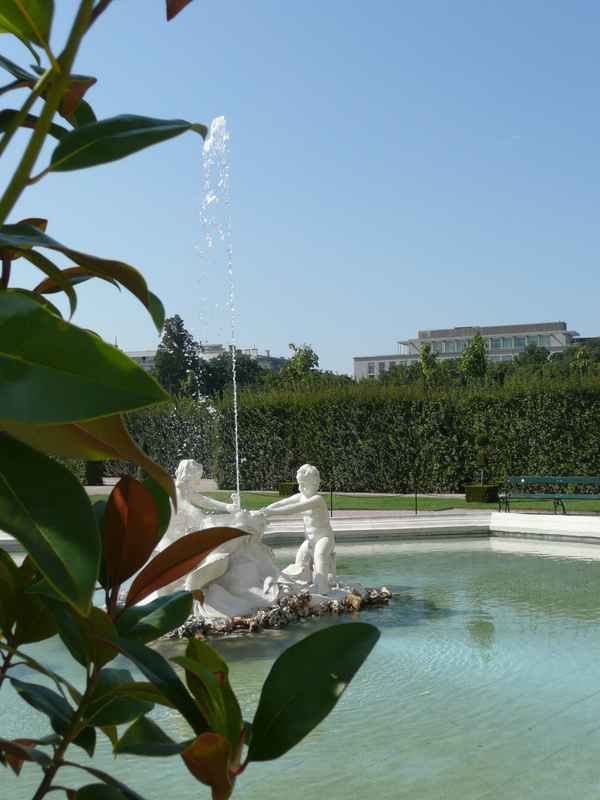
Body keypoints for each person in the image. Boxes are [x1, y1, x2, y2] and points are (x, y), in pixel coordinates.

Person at [262, 464, 336, 595]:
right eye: (299, 484)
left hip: (324, 538)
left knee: (319, 555)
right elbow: (282, 503)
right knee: (299, 563)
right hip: (310, 540)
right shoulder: (300, 496)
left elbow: (293, 509)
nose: (301, 487)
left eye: (303, 484)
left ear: (314, 483)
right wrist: (265, 509)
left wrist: (270, 512)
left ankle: (323, 589)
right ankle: (305, 584)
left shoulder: (317, 499)